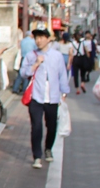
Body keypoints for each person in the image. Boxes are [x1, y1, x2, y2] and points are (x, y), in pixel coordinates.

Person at [20, 28, 70, 169]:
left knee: (51, 126)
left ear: (48, 39)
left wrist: (64, 92)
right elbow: (23, 73)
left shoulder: (57, 56)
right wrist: (35, 64)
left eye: (41, 37)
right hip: (36, 96)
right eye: (36, 38)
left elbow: (62, 74)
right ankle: (37, 156)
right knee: (36, 126)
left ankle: (48, 148)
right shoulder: (31, 55)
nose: (39, 40)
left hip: (52, 96)